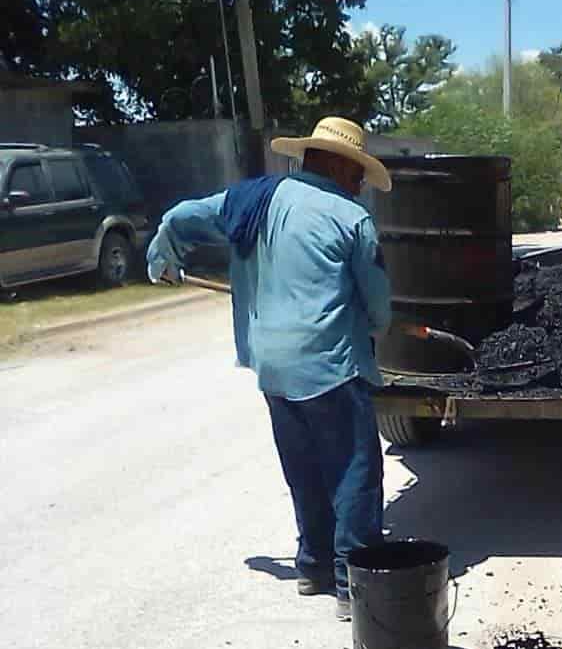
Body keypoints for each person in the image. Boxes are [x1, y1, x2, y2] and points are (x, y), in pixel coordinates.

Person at [146, 117, 393, 622]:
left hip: (272, 367)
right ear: (336, 164)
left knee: (303, 470)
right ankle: (353, 583)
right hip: (331, 366)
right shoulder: (352, 219)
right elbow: (380, 311)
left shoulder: (252, 200)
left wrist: (164, 254)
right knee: (353, 472)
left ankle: (312, 567)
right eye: (358, 172)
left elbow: (181, 215)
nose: (361, 183)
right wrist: (373, 323)